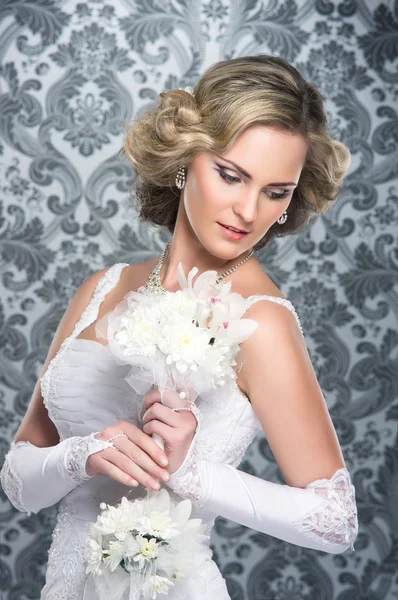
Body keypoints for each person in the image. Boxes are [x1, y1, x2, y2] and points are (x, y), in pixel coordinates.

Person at [0, 54, 358, 599]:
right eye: (231, 175)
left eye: (275, 192)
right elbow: (19, 483)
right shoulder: (103, 287)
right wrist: (82, 455)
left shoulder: (260, 320)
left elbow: (336, 521)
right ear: (186, 158)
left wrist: (190, 472)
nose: (246, 210)